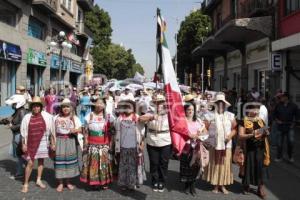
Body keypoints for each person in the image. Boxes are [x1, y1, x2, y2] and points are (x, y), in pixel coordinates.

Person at [203, 92, 237, 194]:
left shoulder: (230, 115)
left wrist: (230, 136)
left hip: (226, 145)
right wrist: (206, 140)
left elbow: (234, 128)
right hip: (214, 144)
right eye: (218, 102)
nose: (220, 104)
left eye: (222, 102)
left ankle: (222, 185)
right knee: (215, 163)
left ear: (225, 104)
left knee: (224, 164)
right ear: (215, 104)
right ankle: (215, 185)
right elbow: (205, 128)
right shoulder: (209, 116)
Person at [20, 96, 55, 193]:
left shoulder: (46, 116)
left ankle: (38, 179)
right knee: (30, 163)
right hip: (31, 143)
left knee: (41, 161)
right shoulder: (27, 117)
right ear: (31, 107)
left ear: (41, 107)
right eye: (34, 106)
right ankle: (26, 183)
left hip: (43, 141)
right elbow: (23, 132)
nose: (36, 108)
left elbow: (52, 130)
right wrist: (24, 144)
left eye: (38, 106)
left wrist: (52, 143)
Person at [139, 94, 171, 192]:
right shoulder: (150, 112)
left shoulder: (169, 113)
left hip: (165, 140)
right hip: (152, 139)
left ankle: (162, 181)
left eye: (161, 102)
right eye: (157, 102)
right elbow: (140, 119)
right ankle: (155, 180)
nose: (159, 104)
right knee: (154, 162)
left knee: (164, 162)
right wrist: (152, 117)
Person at [80, 98, 115, 189]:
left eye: (101, 103)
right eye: (98, 103)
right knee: (94, 163)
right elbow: (85, 130)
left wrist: (111, 142)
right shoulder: (90, 115)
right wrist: (85, 141)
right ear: (94, 104)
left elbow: (112, 129)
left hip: (104, 143)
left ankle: (104, 181)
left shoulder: (108, 116)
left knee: (104, 163)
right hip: (92, 143)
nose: (99, 105)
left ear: (104, 105)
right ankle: (94, 181)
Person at [238, 103, 270, 199]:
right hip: (248, 148)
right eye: (255, 110)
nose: (257, 112)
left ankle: (260, 187)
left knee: (260, 167)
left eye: (258, 110)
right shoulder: (243, 120)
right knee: (248, 166)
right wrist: (253, 134)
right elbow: (240, 136)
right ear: (249, 111)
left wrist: (266, 132)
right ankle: (246, 185)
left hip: (261, 148)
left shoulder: (260, 120)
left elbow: (266, 131)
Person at [115, 97, 146, 191]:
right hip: (123, 146)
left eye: (130, 106)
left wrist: (142, 144)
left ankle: (132, 183)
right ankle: (123, 183)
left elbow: (143, 132)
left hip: (134, 146)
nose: (128, 108)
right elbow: (115, 132)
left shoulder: (137, 117)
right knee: (123, 165)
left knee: (133, 166)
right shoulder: (119, 118)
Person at [53, 98, 82, 192]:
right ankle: (60, 183)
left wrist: (76, 130)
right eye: (64, 107)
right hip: (59, 141)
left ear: (71, 108)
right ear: (61, 108)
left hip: (70, 140)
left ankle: (68, 181)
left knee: (69, 161)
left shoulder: (74, 118)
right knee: (59, 161)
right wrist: (52, 143)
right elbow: (52, 131)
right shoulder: (56, 117)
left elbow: (81, 129)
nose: (66, 108)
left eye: (67, 107)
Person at [180, 102, 208, 196]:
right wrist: (189, 135)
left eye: (192, 110)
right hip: (186, 146)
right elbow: (180, 132)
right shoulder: (182, 121)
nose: (191, 112)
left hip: (197, 146)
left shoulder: (198, 121)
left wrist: (200, 135)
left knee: (195, 166)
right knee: (186, 166)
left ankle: (193, 186)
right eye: (188, 110)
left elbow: (205, 131)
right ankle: (186, 186)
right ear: (185, 110)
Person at [4, 94, 27, 179]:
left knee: (19, 155)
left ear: (19, 103)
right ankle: (27, 167)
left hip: (19, 135)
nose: (12, 105)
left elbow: (22, 124)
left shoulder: (21, 111)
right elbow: (11, 119)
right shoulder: (18, 111)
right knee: (18, 155)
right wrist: (4, 121)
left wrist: (12, 127)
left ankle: (20, 172)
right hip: (16, 135)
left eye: (14, 104)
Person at [273, 92, 298, 162]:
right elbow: (274, 114)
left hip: (289, 127)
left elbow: (297, 116)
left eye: (282, 97)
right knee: (279, 143)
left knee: (290, 142)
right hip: (280, 127)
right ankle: (279, 156)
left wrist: (294, 123)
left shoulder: (293, 106)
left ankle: (290, 156)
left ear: (286, 97)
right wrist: (277, 120)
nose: (281, 98)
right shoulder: (278, 105)